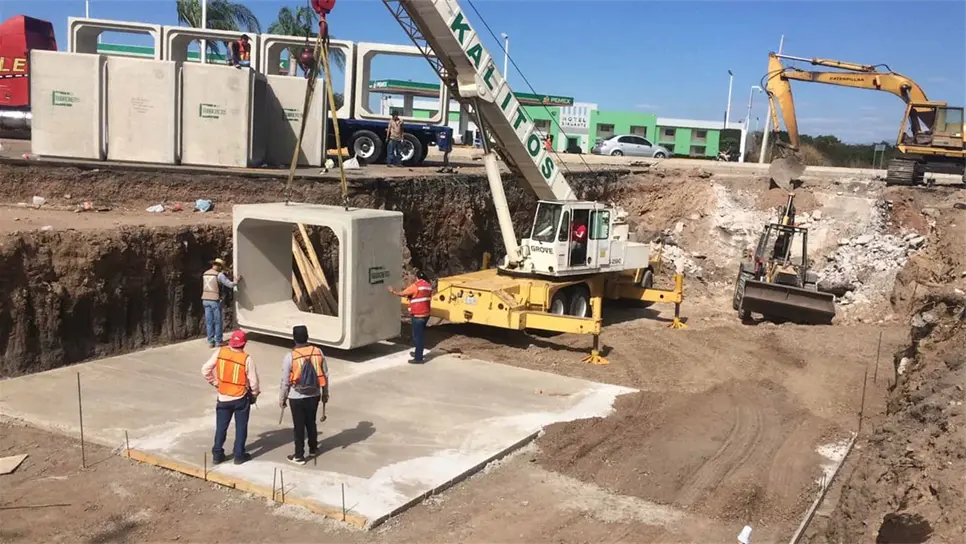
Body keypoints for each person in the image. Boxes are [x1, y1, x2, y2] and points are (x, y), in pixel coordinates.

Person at [202, 329, 260, 465]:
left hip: (223, 397)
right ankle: (239, 455)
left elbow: (205, 370)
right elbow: (254, 382)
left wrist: (216, 383)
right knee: (241, 427)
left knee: (221, 427)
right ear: (244, 344)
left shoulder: (220, 352)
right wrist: (254, 394)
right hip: (240, 398)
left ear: (231, 342)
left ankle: (217, 454)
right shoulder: (246, 358)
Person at [279, 325, 329, 465]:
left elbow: (285, 381)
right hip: (314, 394)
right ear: (307, 336)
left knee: (299, 426)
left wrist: (282, 398)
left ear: (294, 339)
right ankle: (313, 448)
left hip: (296, 396)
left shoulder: (290, 356)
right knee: (311, 422)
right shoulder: (318, 352)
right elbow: (325, 374)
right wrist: (325, 393)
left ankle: (299, 456)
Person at [389, 271, 432, 364]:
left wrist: (393, 291)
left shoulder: (416, 286)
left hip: (418, 315)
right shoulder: (428, 285)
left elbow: (403, 293)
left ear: (416, 277)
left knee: (418, 337)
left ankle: (418, 358)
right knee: (420, 335)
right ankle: (418, 353)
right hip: (426, 315)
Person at [202, 258, 242, 348]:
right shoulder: (219, 275)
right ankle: (218, 341)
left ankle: (210, 341)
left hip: (205, 299)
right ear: (219, 266)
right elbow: (229, 284)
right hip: (214, 300)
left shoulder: (205, 273)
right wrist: (236, 281)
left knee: (209, 321)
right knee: (218, 322)